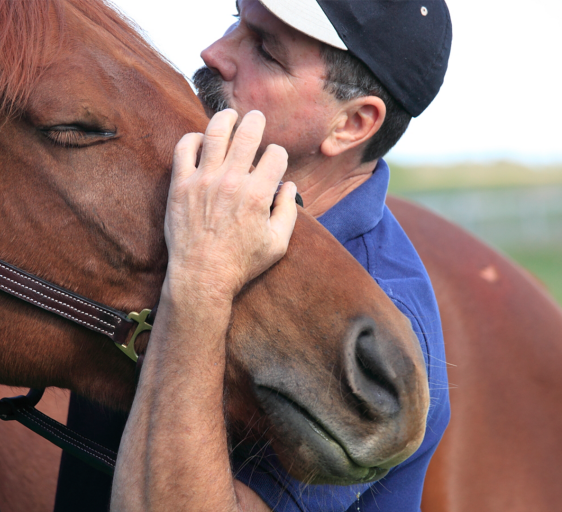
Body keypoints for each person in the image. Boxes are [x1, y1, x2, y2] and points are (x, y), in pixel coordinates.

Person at [73, 0, 453, 510]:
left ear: (353, 123)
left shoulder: (376, 324)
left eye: (267, 53)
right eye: (237, 21)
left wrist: (200, 281)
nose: (214, 53)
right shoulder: (190, 191)